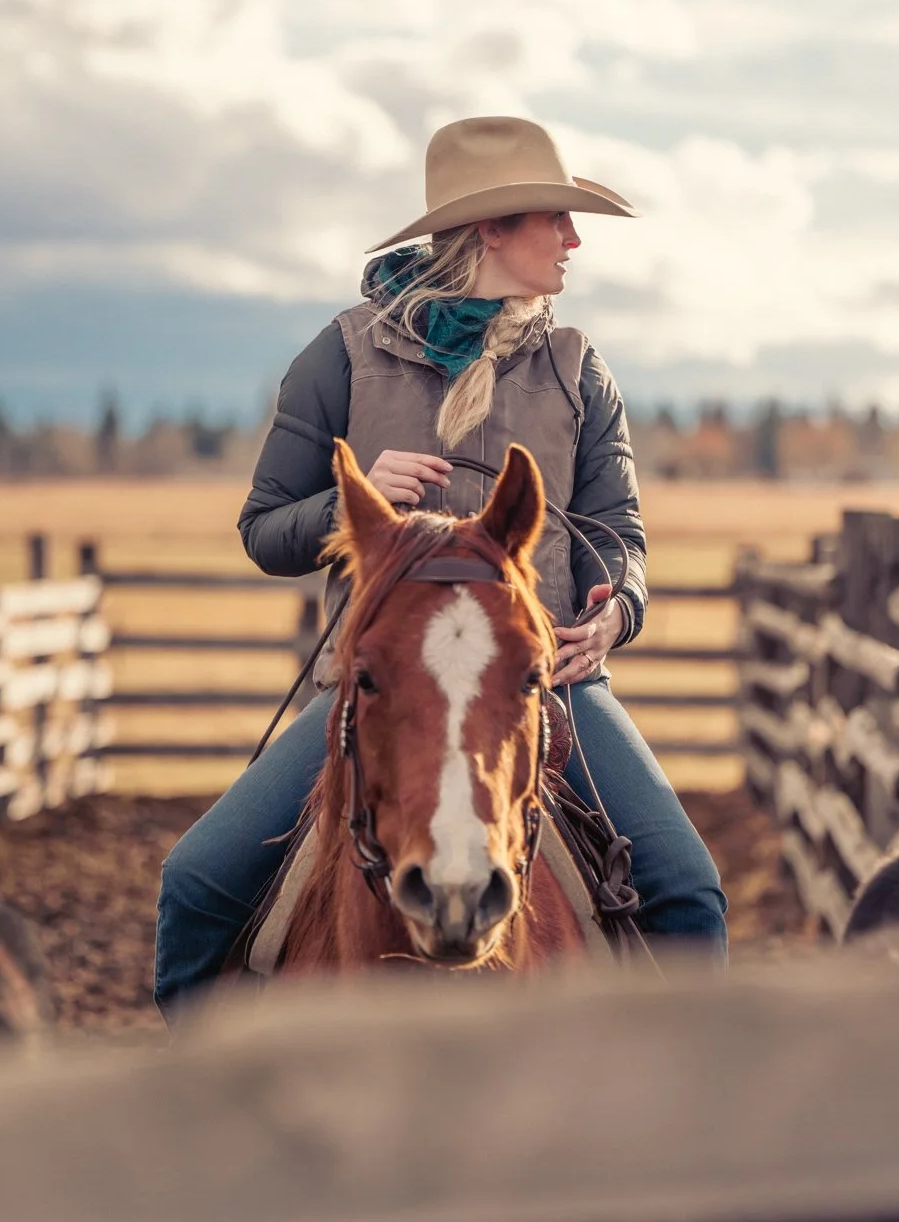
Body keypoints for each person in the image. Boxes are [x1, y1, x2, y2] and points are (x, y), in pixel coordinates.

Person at [155, 117, 727, 1015]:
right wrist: (358, 495)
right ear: (492, 230)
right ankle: (208, 1118)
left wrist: (617, 614)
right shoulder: (341, 355)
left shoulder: (577, 368)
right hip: (381, 688)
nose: (574, 241)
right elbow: (265, 529)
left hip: (545, 689)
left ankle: (689, 1134)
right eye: (555, 219)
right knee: (194, 888)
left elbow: (618, 533)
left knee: (688, 898)